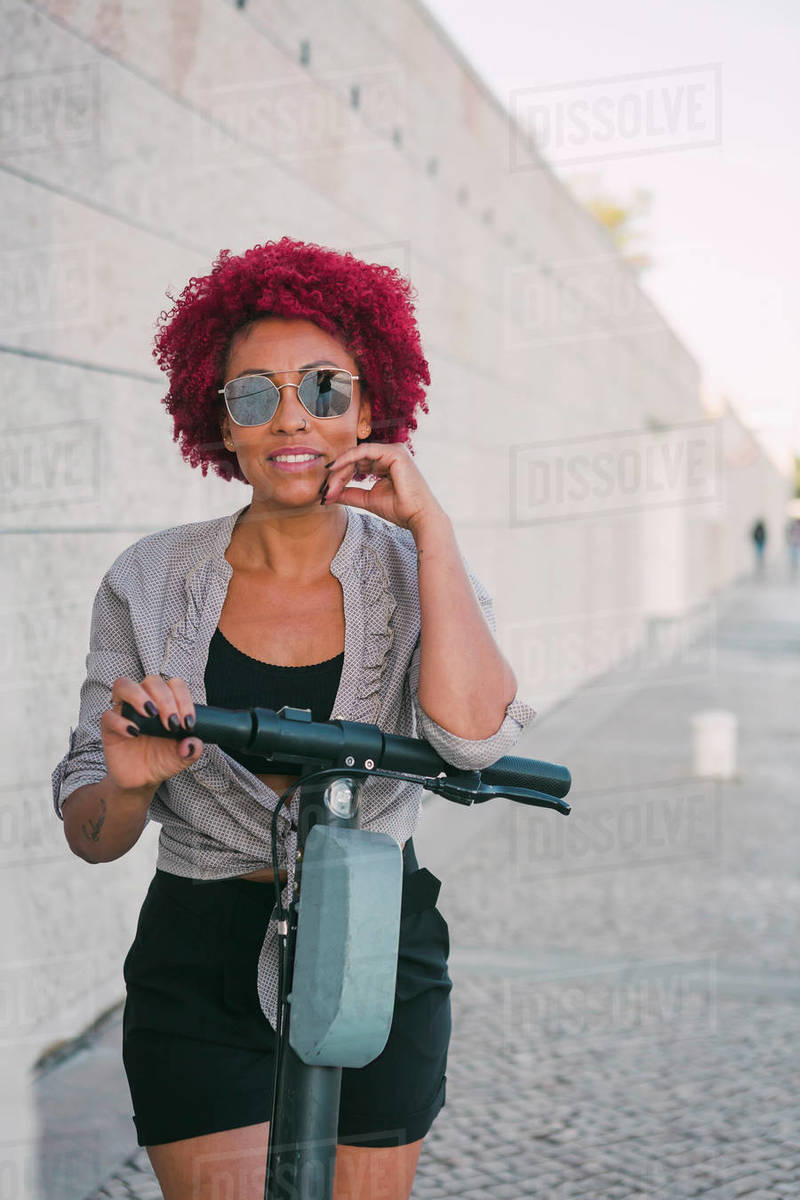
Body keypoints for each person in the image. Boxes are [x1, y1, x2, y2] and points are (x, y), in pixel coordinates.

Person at [51, 238, 536, 1200]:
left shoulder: (415, 572)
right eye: (251, 395)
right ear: (216, 421)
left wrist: (430, 531)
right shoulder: (149, 581)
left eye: (323, 388)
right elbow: (91, 834)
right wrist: (127, 783)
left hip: (374, 940)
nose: (289, 419)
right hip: (201, 949)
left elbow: (473, 738)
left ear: (368, 407)